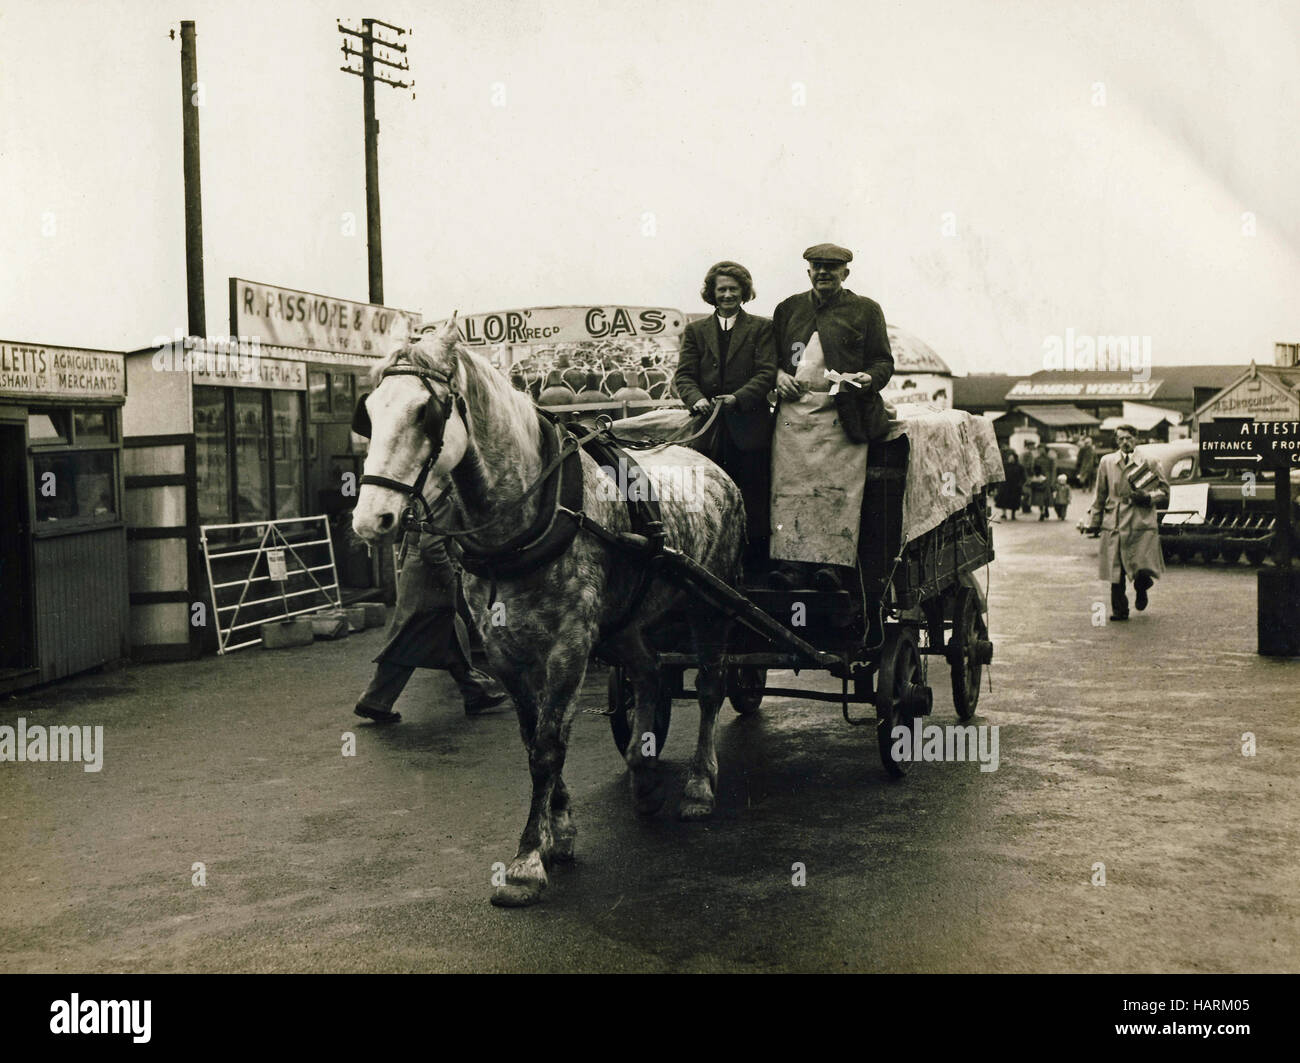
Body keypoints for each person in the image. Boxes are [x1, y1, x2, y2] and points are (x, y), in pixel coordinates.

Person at [768, 243, 894, 591]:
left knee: (836, 492)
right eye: (817, 266)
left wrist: (868, 379)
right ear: (808, 271)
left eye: (831, 268)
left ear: (845, 274)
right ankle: (791, 564)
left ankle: (832, 567)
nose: (823, 272)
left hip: (844, 416)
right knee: (791, 490)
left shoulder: (865, 310)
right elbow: (771, 360)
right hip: (794, 418)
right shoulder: (788, 309)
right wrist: (779, 376)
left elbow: (883, 362)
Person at [354, 498, 509, 723]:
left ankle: (476, 692)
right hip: (429, 579)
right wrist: (450, 578)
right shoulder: (444, 501)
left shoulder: (427, 495)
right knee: (410, 636)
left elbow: (438, 538)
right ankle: (374, 701)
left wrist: (463, 557)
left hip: (417, 573)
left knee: (451, 630)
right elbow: (432, 547)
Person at [674, 260, 778, 576]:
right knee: (707, 496)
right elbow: (684, 376)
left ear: (744, 292)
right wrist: (698, 399)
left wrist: (738, 398)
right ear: (712, 293)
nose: (728, 295)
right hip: (708, 431)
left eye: (734, 289)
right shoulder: (695, 331)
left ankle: (755, 566)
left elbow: (766, 372)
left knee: (752, 496)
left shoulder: (762, 328)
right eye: (722, 289)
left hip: (750, 429)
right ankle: (712, 565)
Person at [1085, 424, 1167, 621]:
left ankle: (1142, 586)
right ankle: (1119, 610)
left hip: (1140, 519)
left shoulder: (1150, 461)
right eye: (1121, 438)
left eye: (1129, 438)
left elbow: (1164, 491)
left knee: (1140, 564)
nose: (1125, 442)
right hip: (1114, 520)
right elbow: (1100, 494)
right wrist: (1094, 520)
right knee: (1116, 568)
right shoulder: (1107, 462)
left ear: (1136, 438)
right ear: (1116, 440)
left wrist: (1147, 498)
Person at [1029, 441, 1057, 521]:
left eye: (1042, 449)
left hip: (1047, 479)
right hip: (1039, 479)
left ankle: (1046, 509)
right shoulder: (1036, 459)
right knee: (1039, 497)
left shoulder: (1050, 460)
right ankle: (1042, 511)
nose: (1041, 451)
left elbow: (1053, 470)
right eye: (1039, 449)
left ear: (1045, 450)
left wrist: (1052, 481)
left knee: (1046, 497)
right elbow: (1033, 469)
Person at [995, 450, 1026, 520]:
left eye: (1012, 458)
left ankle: (1013, 514)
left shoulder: (1019, 467)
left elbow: (1023, 477)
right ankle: (1004, 513)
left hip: (1015, 486)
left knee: (1014, 501)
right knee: (1003, 500)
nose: (1010, 459)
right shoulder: (1004, 466)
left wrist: (1020, 484)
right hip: (1005, 486)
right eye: (1009, 458)